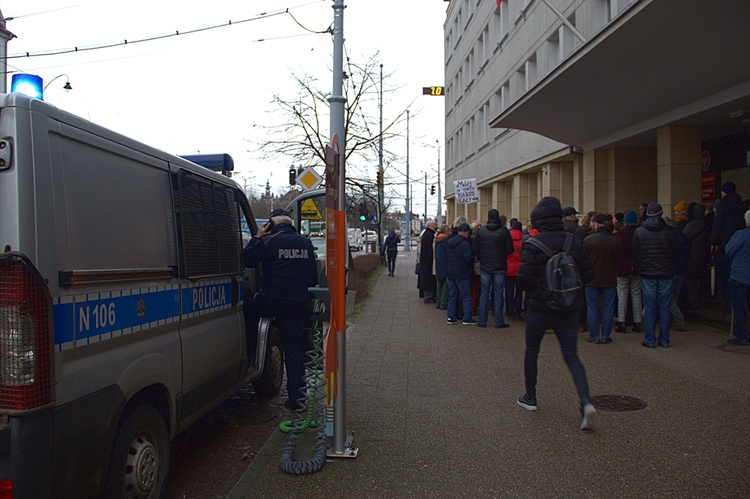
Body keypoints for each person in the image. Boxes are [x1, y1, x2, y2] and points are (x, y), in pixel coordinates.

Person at [516, 196, 597, 430]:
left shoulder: (532, 244)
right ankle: (586, 402)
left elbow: (524, 280)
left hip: (539, 308)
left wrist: (538, 291)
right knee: (572, 355)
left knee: (532, 350)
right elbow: (589, 273)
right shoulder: (573, 241)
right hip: (568, 309)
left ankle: (530, 397)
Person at [243, 208, 318, 410]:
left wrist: (258, 237)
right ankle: (297, 399)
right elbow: (313, 276)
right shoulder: (305, 243)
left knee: (247, 308)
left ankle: (249, 351)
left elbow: (247, 260)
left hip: (271, 300)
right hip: (296, 305)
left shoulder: (268, 242)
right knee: (293, 351)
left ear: (271, 224)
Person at [632, 203, 678, 348]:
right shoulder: (671, 232)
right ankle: (664, 339)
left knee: (650, 307)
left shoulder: (640, 232)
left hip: (648, 273)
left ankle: (650, 339)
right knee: (664, 307)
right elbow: (676, 251)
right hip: (666, 272)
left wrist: (642, 265)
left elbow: (635, 253)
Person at [583, 214, 623, 344]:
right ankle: (606, 335)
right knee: (608, 307)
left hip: (592, 279)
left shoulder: (589, 240)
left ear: (595, 224)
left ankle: (594, 335)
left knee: (593, 308)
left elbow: (583, 259)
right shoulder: (616, 240)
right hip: (609, 278)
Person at [473, 209, 514, 328]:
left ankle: (482, 320)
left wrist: (482, 258)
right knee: (498, 293)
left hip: (485, 266)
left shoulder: (482, 232)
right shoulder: (503, 231)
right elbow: (510, 249)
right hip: (500, 265)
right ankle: (498, 321)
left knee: (484, 292)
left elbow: (475, 248)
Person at [710, 181, 746, 299]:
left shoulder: (722, 203)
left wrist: (713, 242)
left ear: (725, 191)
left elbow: (718, 223)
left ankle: (725, 294)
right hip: (740, 241)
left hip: (724, 242)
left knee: (724, 269)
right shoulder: (741, 203)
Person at [725, 210, 750, 345]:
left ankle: (741, 335)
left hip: (740, 275)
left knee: (739, 306)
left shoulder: (741, 234)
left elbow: (728, 250)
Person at [615, 210, 642, 333]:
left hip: (622, 267)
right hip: (636, 267)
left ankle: (622, 322)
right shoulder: (640, 232)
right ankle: (637, 321)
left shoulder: (620, 234)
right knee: (636, 294)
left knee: (622, 295)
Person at [446, 223, 476, 325]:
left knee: (452, 296)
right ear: (467, 233)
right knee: (466, 296)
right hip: (462, 273)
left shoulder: (450, 242)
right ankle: (466, 318)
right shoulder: (465, 244)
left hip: (451, 272)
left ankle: (450, 317)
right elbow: (469, 259)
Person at [682, 202, 709, 308]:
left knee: (690, 279)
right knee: (697, 279)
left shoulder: (692, 225)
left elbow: (684, 238)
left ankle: (692, 300)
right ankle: (696, 299)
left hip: (691, 256)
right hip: (701, 255)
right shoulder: (705, 224)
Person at [670, 228, 691, 331]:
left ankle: (679, 320)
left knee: (669, 299)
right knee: (674, 298)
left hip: (672, 271)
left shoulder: (671, 239)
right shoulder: (684, 239)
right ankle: (676, 320)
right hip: (681, 271)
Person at [505, 221, 524, 321]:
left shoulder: (507, 239)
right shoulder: (523, 239)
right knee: (519, 292)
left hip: (509, 268)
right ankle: (518, 310)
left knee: (509, 291)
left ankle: (509, 311)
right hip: (519, 269)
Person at [419, 220, 438, 303]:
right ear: (430, 226)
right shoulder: (429, 235)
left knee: (426, 278)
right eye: (434, 225)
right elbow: (430, 250)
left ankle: (428, 295)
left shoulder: (426, 234)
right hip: (428, 262)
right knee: (429, 279)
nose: (435, 226)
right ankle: (428, 296)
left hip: (425, 261)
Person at [434, 224, 451, 310]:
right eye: (449, 230)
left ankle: (438, 301)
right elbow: (448, 253)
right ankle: (443, 303)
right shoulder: (446, 240)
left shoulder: (437, 240)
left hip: (438, 263)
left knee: (439, 283)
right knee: (445, 284)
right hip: (445, 263)